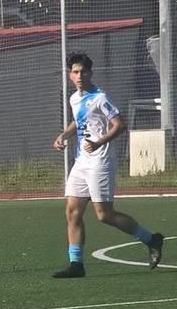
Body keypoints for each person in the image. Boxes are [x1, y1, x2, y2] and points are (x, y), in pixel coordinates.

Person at [50, 52, 162, 278]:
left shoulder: (100, 97)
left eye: (83, 71)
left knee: (104, 215)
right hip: (81, 162)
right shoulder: (74, 98)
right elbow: (78, 121)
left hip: (100, 162)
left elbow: (119, 125)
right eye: (75, 72)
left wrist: (99, 142)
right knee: (72, 211)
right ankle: (76, 264)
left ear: (90, 73)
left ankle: (152, 239)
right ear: (69, 74)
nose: (79, 75)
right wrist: (64, 135)